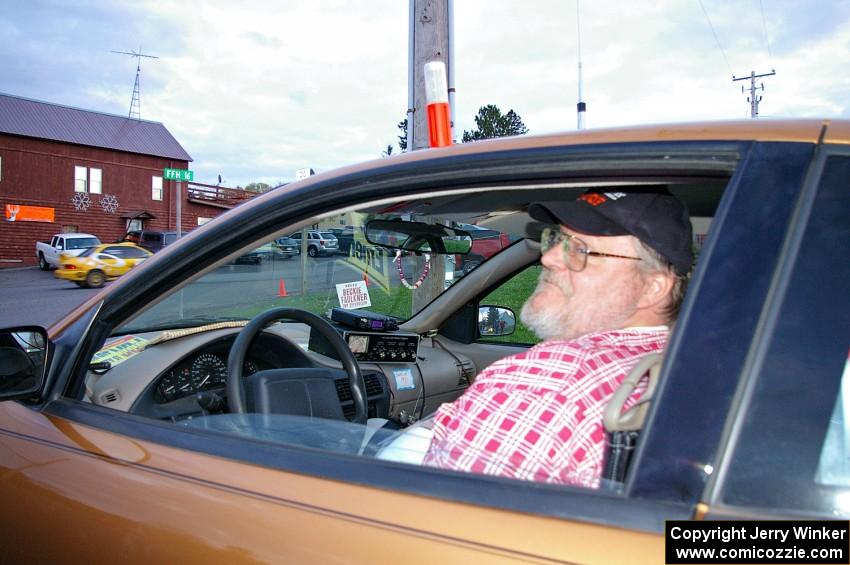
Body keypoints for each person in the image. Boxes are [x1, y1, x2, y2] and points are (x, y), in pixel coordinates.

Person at [421, 188, 693, 488]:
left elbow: (429, 517)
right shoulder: (694, 366)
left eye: (581, 249)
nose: (548, 257)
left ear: (653, 287)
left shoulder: (544, 383)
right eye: (559, 240)